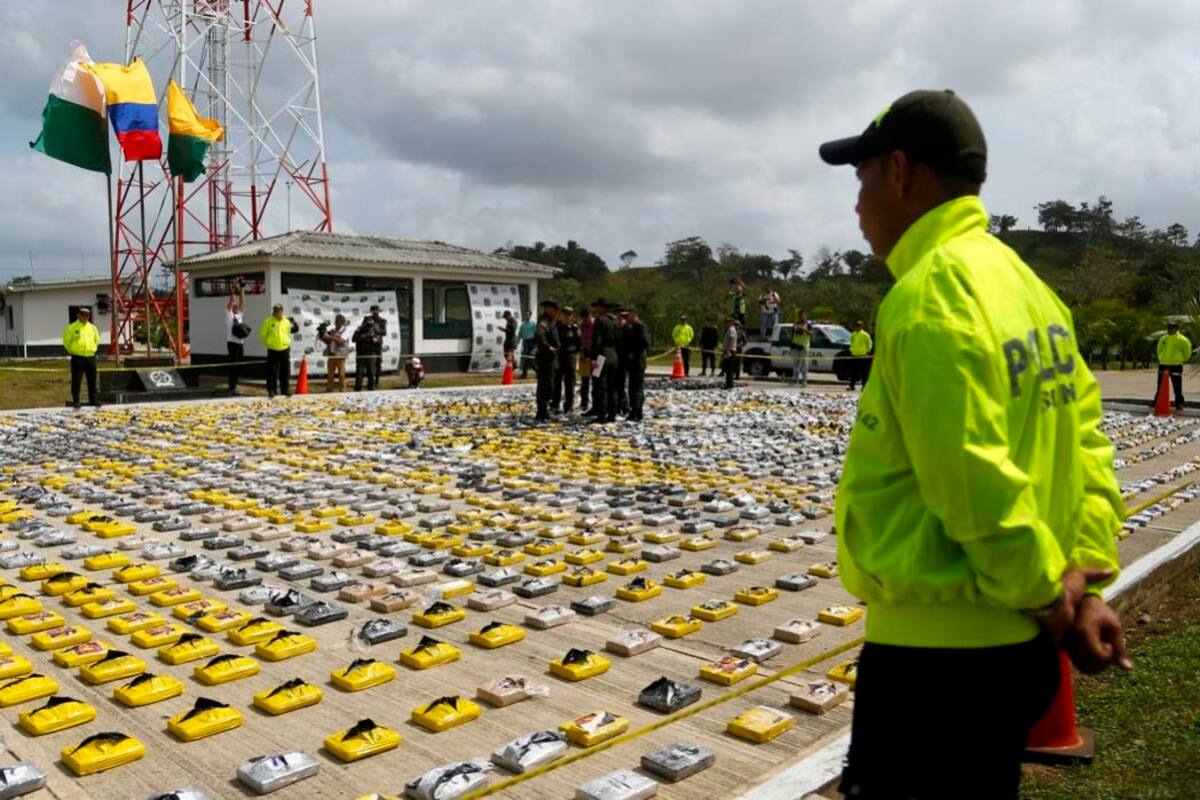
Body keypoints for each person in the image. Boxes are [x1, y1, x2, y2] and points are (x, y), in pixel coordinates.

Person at [821, 88, 1128, 799]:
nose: (857, 205)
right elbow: (1087, 444)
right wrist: (1084, 580)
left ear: (899, 171)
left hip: (937, 661)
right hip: (1015, 649)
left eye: (861, 178)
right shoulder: (1025, 286)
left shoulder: (931, 294)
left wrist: (1051, 598)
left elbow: (970, 478)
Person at [587, 298, 620, 423]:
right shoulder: (615, 321)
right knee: (612, 387)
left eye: (597, 307)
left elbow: (597, 340)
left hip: (602, 355)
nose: (595, 309)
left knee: (600, 386)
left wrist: (593, 357)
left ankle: (601, 415)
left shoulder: (600, 320)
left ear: (601, 308)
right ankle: (612, 414)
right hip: (613, 355)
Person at [63, 306, 101, 409]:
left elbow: (97, 340)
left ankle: (93, 400)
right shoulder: (71, 327)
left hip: (90, 357)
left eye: (86, 315)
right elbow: (66, 342)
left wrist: (92, 349)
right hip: (77, 358)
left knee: (92, 380)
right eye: (82, 315)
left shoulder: (92, 328)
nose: (85, 317)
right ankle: (76, 400)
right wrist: (72, 350)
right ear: (78, 315)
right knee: (76, 380)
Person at [1154, 321, 1191, 409]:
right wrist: (1161, 358)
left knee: (1177, 386)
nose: (1169, 330)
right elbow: (1159, 349)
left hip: (1176, 365)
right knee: (1160, 385)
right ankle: (1156, 402)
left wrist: (1182, 359)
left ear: (1176, 328)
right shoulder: (1163, 338)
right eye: (1168, 328)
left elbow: (1187, 351)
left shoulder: (1183, 340)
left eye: (1172, 328)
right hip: (1163, 364)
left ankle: (1179, 403)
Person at [533, 300, 560, 420]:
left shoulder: (551, 322)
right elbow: (541, 336)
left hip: (551, 358)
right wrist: (549, 347)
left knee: (550, 384)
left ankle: (545, 409)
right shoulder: (543, 322)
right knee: (545, 384)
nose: (556, 312)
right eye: (554, 310)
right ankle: (542, 411)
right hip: (545, 357)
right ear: (548, 309)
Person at [259, 303, 293, 398]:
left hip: (285, 349)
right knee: (272, 372)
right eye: (275, 310)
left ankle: (285, 390)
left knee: (285, 371)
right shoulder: (268, 321)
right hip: (273, 350)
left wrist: (286, 342)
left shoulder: (287, 322)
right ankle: (272, 390)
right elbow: (262, 334)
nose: (276, 312)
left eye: (278, 310)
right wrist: (269, 343)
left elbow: (288, 333)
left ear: (282, 311)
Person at [624, 307, 649, 422]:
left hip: (638, 361)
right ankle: (635, 411)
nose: (626, 319)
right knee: (632, 387)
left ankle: (636, 411)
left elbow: (644, 342)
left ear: (633, 315)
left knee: (636, 388)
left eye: (627, 316)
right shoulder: (631, 327)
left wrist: (634, 352)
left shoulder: (640, 327)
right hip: (633, 362)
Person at [553, 306, 580, 414]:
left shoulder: (574, 328)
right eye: (564, 314)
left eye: (569, 315)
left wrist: (574, 351)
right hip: (559, 357)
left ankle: (569, 405)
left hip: (570, 357)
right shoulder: (556, 327)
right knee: (557, 382)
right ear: (561, 315)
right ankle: (555, 404)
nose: (566, 317)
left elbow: (579, 343)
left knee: (570, 383)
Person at [353, 305, 387, 391]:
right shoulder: (367, 318)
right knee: (365, 367)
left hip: (377, 346)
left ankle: (376, 383)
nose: (375, 313)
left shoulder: (382, 321)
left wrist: (376, 327)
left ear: (379, 312)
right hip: (366, 347)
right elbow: (362, 328)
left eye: (376, 311)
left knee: (377, 365)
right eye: (373, 311)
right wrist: (368, 326)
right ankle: (363, 385)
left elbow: (384, 332)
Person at [225, 279, 248, 395]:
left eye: (237, 305)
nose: (237, 305)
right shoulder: (229, 315)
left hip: (240, 344)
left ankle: (235, 385)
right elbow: (231, 301)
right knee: (233, 366)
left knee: (239, 366)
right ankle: (231, 387)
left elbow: (242, 302)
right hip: (232, 344)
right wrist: (232, 291)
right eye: (235, 305)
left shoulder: (239, 315)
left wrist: (242, 288)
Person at [323, 314, 350, 393]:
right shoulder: (332, 330)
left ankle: (343, 389)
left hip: (340, 356)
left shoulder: (345, 331)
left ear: (342, 322)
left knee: (341, 374)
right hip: (332, 354)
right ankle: (329, 389)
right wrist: (323, 337)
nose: (336, 322)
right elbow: (328, 342)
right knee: (330, 374)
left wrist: (330, 337)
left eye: (337, 321)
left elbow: (341, 341)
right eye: (335, 320)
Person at [848, 320, 873, 391]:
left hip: (863, 356)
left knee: (863, 372)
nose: (855, 328)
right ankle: (852, 386)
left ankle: (864, 386)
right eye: (854, 326)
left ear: (861, 327)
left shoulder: (865, 335)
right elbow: (851, 343)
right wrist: (852, 350)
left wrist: (866, 351)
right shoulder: (853, 334)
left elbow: (869, 344)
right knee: (853, 372)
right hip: (854, 355)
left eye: (857, 326)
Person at [578, 307, 595, 413]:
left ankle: (596, 403)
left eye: (588, 318)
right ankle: (584, 402)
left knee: (596, 380)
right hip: (584, 353)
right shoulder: (582, 325)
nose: (586, 320)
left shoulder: (596, 324)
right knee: (585, 380)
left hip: (594, 353)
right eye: (584, 318)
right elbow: (580, 339)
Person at [791, 310, 813, 386]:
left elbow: (811, 334)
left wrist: (804, 329)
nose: (802, 317)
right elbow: (792, 335)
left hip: (804, 346)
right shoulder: (795, 324)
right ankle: (795, 380)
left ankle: (804, 380)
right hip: (795, 346)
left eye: (804, 315)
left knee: (804, 365)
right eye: (801, 316)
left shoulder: (808, 324)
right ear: (798, 316)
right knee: (795, 365)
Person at [517, 309, 536, 379]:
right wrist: (516, 343)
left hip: (531, 342)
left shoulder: (533, 324)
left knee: (529, 359)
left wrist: (535, 345)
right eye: (525, 315)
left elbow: (537, 334)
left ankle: (525, 374)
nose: (526, 316)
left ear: (530, 316)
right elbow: (519, 335)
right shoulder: (522, 325)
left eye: (527, 315)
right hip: (525, 342)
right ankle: (525, 374)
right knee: (527, 359)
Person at [720, 316, 738, 390]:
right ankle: (728, 383)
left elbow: (731, 340)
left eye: (726, 323)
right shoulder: (730, 329)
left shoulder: (731, 330)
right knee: (726, 368)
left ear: (730, 323)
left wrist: (728, 351)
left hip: (730, 351)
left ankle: (729, 384)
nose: (725, 324)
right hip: (728, 350)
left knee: (728, 368)